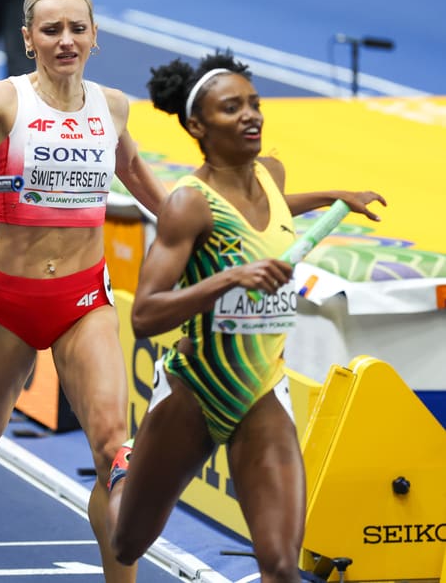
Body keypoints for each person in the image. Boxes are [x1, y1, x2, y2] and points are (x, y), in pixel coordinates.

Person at [0, 0, 167, 583]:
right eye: (51, 30)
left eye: (77, 28)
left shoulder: (112, 105)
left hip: (84, 299)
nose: (65, 40)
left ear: (95, 36)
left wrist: (195, 225)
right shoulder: (2, 100)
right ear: (28, 39)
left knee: (114, 452)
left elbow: (137, 175)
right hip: (12, 304)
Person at [105, 52, 386, 582]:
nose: (251, 115)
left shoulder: (271, 175)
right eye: (232, 108)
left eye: (254, 104)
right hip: (195, 390)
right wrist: (228, 279)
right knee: (126, 543)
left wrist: (337, 197)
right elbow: (143, 315)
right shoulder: (189, 205)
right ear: (197, 126)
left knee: (280, 565)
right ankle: (126, 468)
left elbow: (276, 204)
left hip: (262, 392)